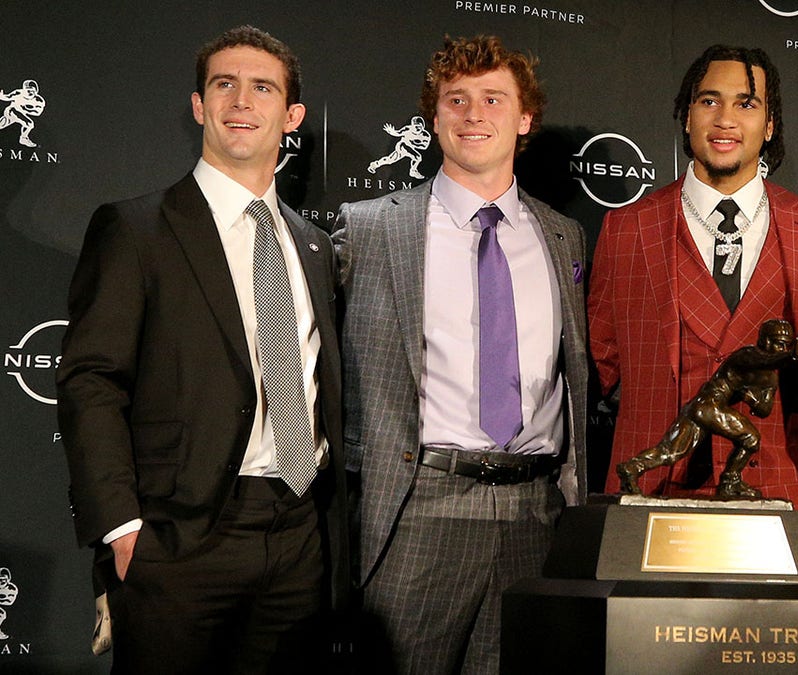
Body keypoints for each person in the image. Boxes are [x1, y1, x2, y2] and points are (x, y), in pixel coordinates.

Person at [56, 25, 348, 674]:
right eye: (225, 84)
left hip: (299, 534)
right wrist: (124, 531)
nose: (241, 100)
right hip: (178, 539)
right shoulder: (134, 229)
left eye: (262, 87)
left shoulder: (314, 246)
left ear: (291, 115)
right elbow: (91, 384)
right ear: (199, 106)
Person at [333, 35, 587, 674]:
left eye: (493, 98)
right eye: (457, 99)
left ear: (524, 119)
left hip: (536, 516)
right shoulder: (370, 227)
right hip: (418, 508)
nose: (474, 114)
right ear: (435, 116)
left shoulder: (563, 236)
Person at [589, 44, 798, 553]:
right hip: (657, 495)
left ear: (770, 124)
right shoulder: (626, 228)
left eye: (746, 104)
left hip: (784, 497)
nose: (725, 119)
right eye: (709, 101)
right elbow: (605, 358)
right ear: (686, 115)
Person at [617, 320, 798, 498]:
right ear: (765, 341)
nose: (782, 349)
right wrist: (791, 356)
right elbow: (765, 361)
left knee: (672, 451)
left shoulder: (771, 378)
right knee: (747, 439)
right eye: (778, 343)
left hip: (704, 409)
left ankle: (632, 468)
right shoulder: (747, 355)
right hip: (708, 404)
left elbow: (764, 410)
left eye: (786, 345)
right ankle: (729, 481)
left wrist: (750, 397)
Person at [0, 79, 45, 147]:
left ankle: (23, 138)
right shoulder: (18, 93)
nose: (31, 92)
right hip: (11, 111)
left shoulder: (39, 101)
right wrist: (1, 95)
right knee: (28, 124)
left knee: (29, 124)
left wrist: (25, 109)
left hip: (22, 114)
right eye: (28, 90)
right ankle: (23, 138)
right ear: (24, 90)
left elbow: (38, 112)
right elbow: (7, 97)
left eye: (33, 91)